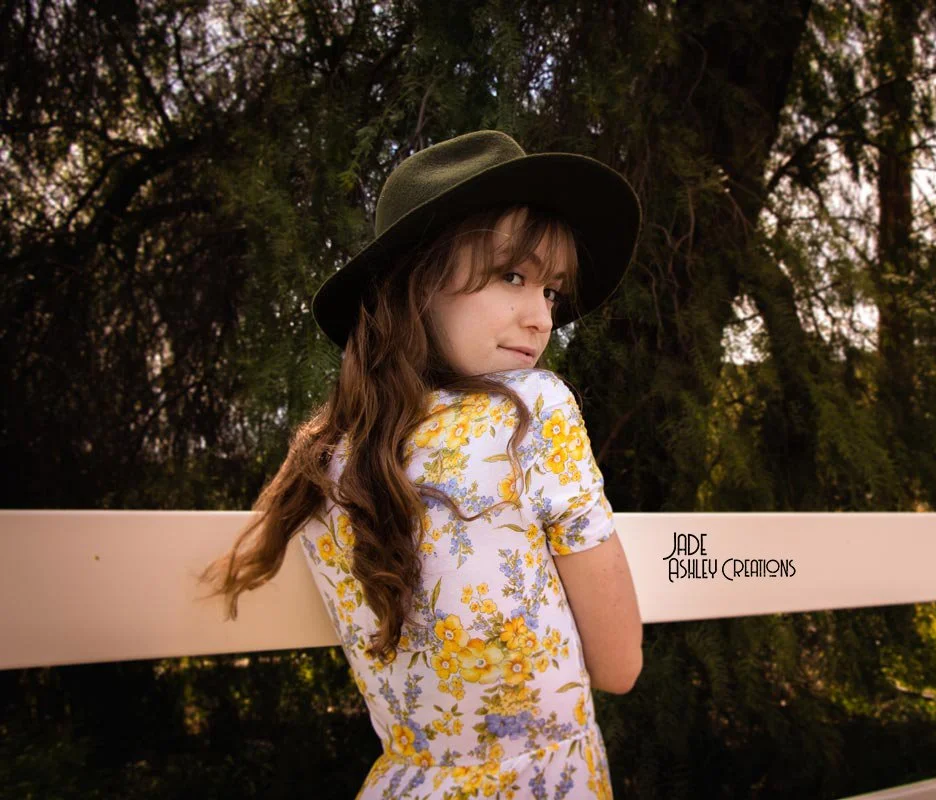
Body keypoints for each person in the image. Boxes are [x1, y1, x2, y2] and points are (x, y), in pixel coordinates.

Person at [199, 130, 644, 799]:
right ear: (418, 286)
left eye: (551, 291)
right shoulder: (533, 411)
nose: (541, 317)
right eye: (513, 277)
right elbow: (618, 665)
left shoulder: (324, 461)